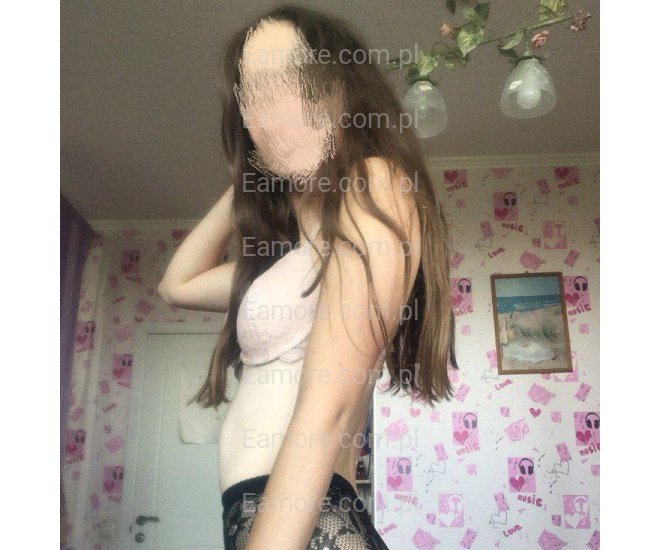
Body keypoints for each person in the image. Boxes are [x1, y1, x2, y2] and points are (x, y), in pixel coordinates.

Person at [158, 5, 457, 549]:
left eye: (287, 83)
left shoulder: (375, 182)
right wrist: (248, 176)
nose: (268, 111)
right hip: (266, 515)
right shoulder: (284, 265)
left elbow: (330, 408)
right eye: (252, 96)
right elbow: (176, 285)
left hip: (308, 521)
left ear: (342, 92)